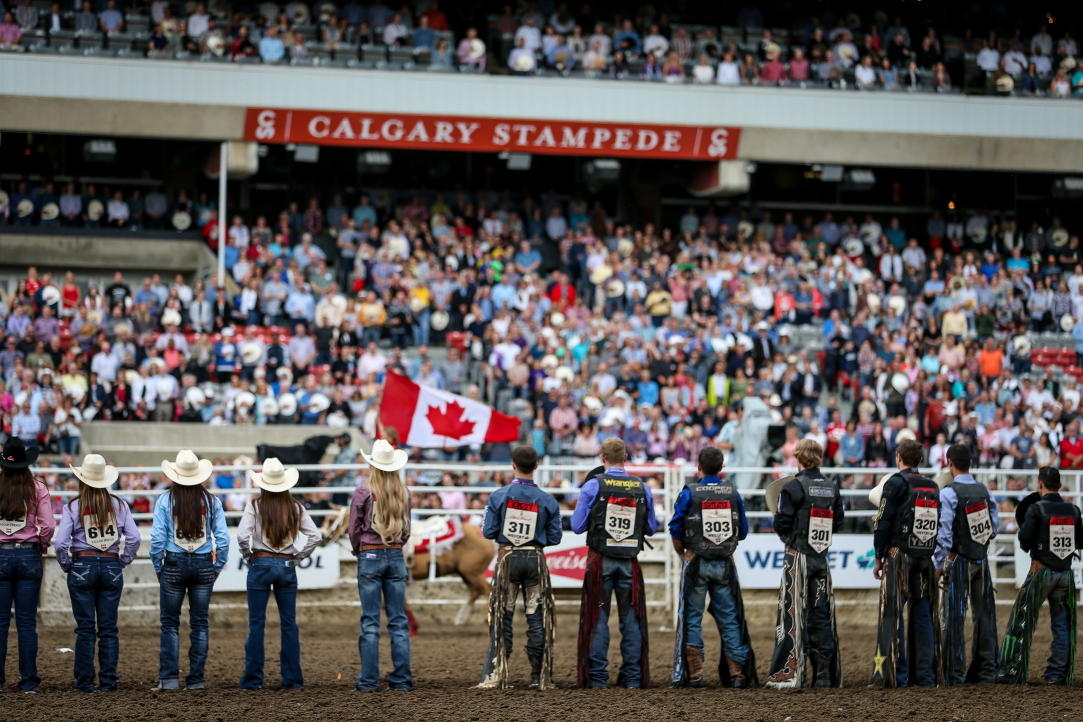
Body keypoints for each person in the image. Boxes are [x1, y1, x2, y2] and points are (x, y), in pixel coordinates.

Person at [572, 437, 657, 689]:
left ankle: (597, 678)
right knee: (631, 619)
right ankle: (632, 678)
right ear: (626, 458)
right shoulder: (642, 487)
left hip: (600, 561)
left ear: (602, 458)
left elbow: (577, 526)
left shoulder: (593, 486)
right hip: (629, 561)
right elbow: (651, 527)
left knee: (597, 617)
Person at [669, 446, 756, 689]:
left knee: (692, 618)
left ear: (698, 468)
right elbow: (744, 531)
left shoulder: (689, 493)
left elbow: (675, 528)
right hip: (725, 564)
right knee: (730, 618)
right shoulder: (732, 492)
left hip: (696, 562)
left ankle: (695, 677)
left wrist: (683, 554)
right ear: (722, 469)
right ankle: (738, 674)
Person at [54, 454, 140, 693]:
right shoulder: (120, 505)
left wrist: (67, 565)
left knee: (84, 628)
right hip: (111, 565)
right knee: (109, 628)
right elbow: (134, 538)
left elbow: (61, 543)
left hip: (82, 564)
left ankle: (85, 682)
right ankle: (109, 681)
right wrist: (122, 560)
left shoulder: (73, 506)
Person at [478, 445, 561, 690]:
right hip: (535, 560)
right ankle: (539, 676)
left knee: (503, 616)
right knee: (537, 618)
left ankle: (496, 673)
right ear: (536, 466)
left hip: (508, 560)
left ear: (512, 465)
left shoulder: (498, 496)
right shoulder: (548, 500)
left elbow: (488, 531)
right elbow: (555, 537)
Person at [765, 439, 843, 688]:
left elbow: (781, 522)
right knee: (820, 613)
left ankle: (795, 672)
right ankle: (823, 673)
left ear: (798, 458)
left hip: (798, 557)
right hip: (821, 559)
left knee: (794, 612)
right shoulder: (832, 487)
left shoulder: (794, 487)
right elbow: (838, 522)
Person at [237, 458, 321, 690]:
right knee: (289, 624)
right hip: (286, 565)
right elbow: (316, 537)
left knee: (256, 624)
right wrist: (298, 557)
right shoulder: (296, 507)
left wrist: (248, 556)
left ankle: (253, 680)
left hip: (260, 563)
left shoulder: (254, 506)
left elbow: (243, 537)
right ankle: (292, 679)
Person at [150, 450, 230, 691]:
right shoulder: (212, 501)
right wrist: (215, 568)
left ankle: (169, 680)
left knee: (169, 624)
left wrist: (158, 567)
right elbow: (223, 540)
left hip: (173, 564)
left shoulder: (165, 500)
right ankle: (196, 680)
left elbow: (156, 540)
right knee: (200, 624)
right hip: (204, 564)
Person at [867, 438, 943, 688]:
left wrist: (878, 556)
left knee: (892, 613)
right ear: (920, 460)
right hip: (924, 558)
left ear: (898, 458)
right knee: (922, 616)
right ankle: (925, 677)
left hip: (899, 557)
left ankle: (895, 677)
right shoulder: (932, 486)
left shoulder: (895, 483)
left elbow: (883, 521)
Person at [998, 466, 1083, 685]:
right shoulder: (1073, 510)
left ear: (1040, 485)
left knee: (1021, 620)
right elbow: (1080, 541)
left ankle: (1012, 672)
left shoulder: (1036, 508)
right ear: (1060, 486)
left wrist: (1034, 543)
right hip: (1065, 573)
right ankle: (1057, 676)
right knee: (1063, 626)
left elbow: (1024, 539)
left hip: (1041, 572)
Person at [348, 439, 413, 692]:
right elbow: (406, 530)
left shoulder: (364, 491)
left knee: (370, 622)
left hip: (370, 555)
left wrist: (359, 550)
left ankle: (368, 681)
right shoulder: (404, 492)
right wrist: (396, 546)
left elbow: (354, 527)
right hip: (395, 555)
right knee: (398, 621)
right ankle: (402, 680)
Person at [936, 444, 999, 686]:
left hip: (958, 559)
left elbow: (944, 532)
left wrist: (940, 561)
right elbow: (992, 527)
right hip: (981, 559)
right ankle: (986, 672)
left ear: (949, 462)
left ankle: (955, 674)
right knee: (985, 616)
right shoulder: (984, 490)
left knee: (954, 617)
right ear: (970, 462)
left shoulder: (949, 493)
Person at [0, 438, 54, 694]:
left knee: (0, 623)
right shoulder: (37, 488)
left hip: (0, 555)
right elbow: (48, 525)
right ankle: (29, 681)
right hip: (29, 555)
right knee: (26, 623)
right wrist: (41, 545)